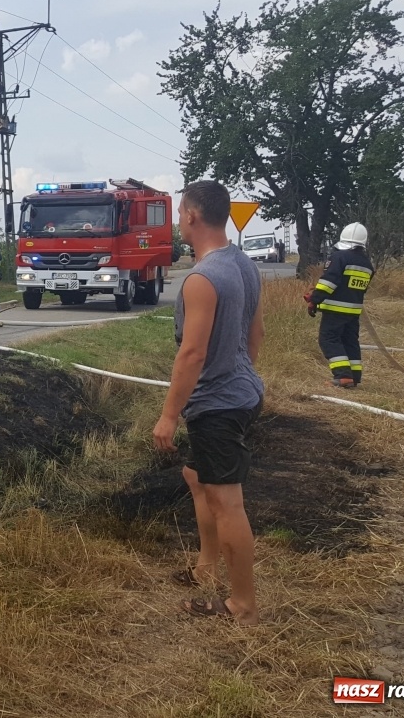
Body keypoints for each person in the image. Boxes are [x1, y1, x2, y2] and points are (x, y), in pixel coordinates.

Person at [151, 179, 264, 626]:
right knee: (196, 476)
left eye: (180, 214)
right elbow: (255, 336)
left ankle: (243, 606)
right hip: (243, 392)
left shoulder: (201, 279)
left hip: (217, 405)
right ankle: (205, 568)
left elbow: (192, 354)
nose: (179, 221)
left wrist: (168, 415)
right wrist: (241, 379)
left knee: (225, 501)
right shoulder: (244, 265)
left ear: (192, 215)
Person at [304, 223, 371, 388]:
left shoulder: (339, 257)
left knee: (328, 339)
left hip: (334, 310)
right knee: (350, 342)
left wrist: (314, 299)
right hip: (353, 311)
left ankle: (342, 376)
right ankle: (354, 376)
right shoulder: (367, 263)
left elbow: (328, 283)